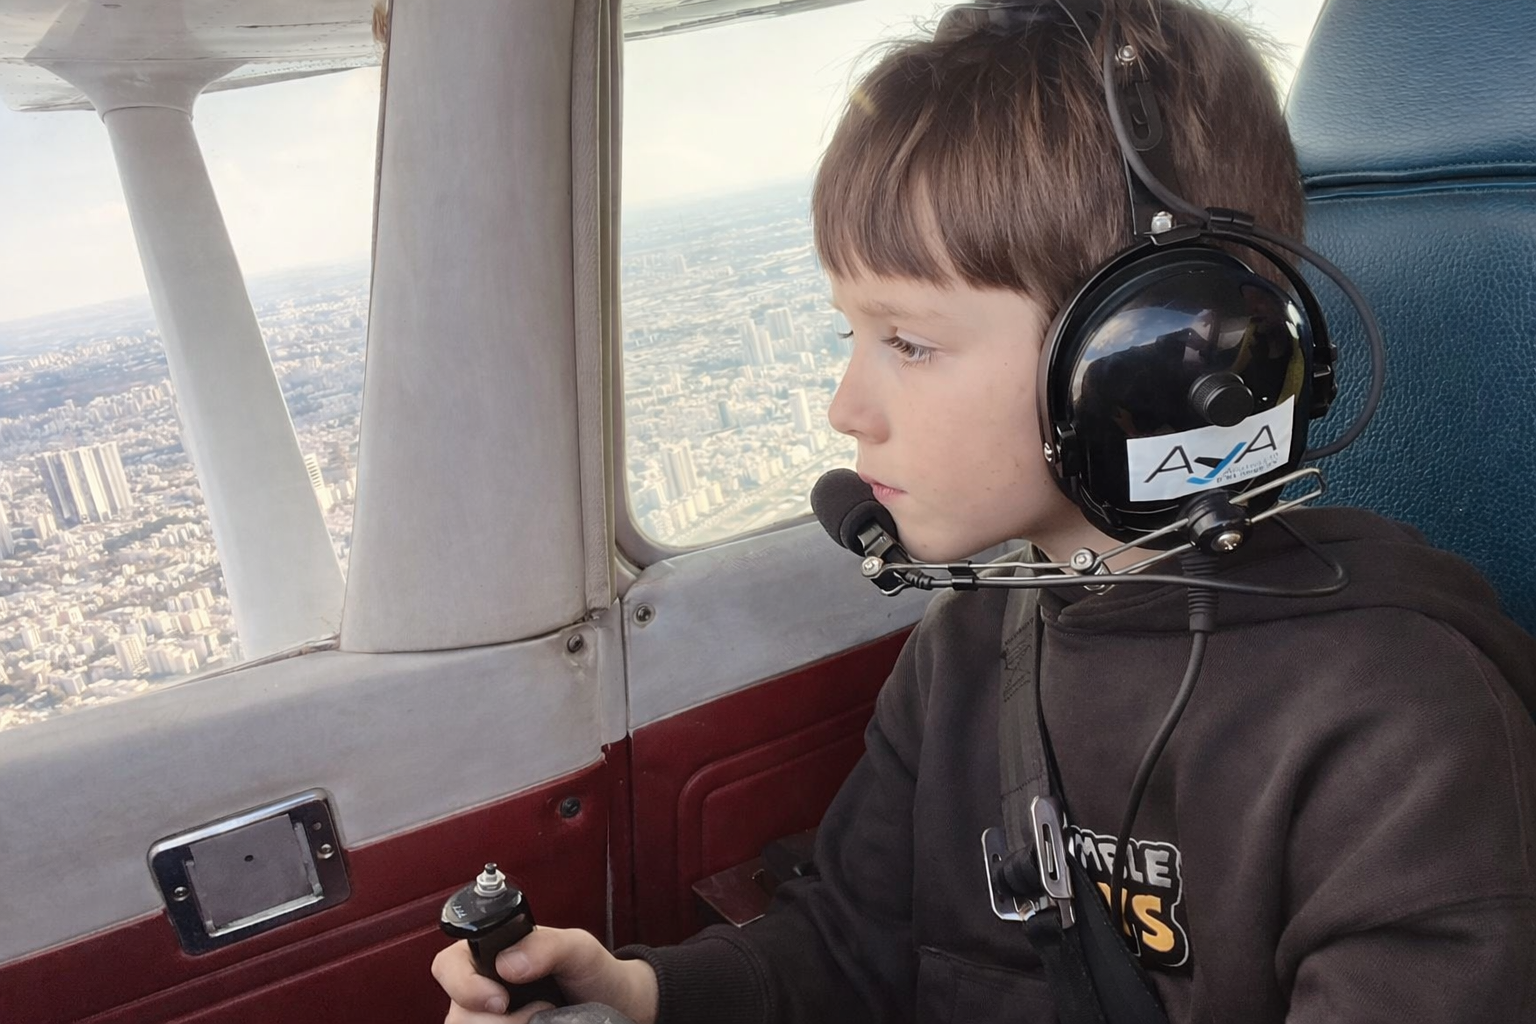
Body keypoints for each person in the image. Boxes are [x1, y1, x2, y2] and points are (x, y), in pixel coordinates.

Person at [433, 1, 1536, 1021]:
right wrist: (634, 995)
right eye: (849, 334)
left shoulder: (1403, 729)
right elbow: (852, 947)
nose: (845, 407)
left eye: (909, 343)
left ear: (1143, 356)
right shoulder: (972, 641)